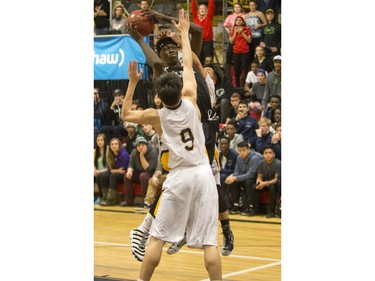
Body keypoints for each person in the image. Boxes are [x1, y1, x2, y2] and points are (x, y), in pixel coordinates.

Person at [121, 10, 222, 280]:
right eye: (164, 48)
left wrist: (132, 83)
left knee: (158, 239)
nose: (170, 52)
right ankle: (155, 229)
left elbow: (127, 114)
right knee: (210, 242)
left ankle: (161, 236)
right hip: (199, 162)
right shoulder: (188, 97)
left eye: (172, 47)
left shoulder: (158, 113)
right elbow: (183, 64)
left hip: (181, 165)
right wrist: (181, 33)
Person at [224, 141, 262, 215]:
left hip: (256, 178)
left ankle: (252, 208)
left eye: (244, 150)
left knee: (248, 182)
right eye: (240, 151)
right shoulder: (239, 157)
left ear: (248, 150)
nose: (241, 153)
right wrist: (232, 176)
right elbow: (237, 171)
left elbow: (251, 174)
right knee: (233, 181)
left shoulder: (255, 158)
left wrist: (235, 178)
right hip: (245, 177)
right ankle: (236, 206)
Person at [120, 136, 158, 207]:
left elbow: (148, 169)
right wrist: (129, 171)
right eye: (138, 145)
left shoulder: (153, 152)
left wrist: (142, 156)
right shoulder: (134, 152)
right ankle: (129, 201)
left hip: (151, 174)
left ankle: (145, 201)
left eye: (143, 145)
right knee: (127, 176)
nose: (141, 147)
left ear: (146, 145)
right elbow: (131, 164)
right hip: (140, 172)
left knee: (143, 176)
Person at [249, 145, 281, 218]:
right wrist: (259, 182)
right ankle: (255, 209)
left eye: (270, 153)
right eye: (266, 153)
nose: (268, 155)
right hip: (265, 182)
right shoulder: (261, 163)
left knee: (272, 188)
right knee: (255, 186)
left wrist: (265, 183)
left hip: (275, 184)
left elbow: (276, 180)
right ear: (263, 155)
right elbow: (259, 176)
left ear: (274, 154)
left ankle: (271, 211)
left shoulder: (278, 163)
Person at [99, 137, 130, 206]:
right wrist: (116, 170)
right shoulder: (110, 154)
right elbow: (109, 169)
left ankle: (111, 199)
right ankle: (105, 197)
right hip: (116, 173)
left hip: (125, 175)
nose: (114, 146)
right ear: (110, 146)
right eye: (112, 144)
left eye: (116, 144)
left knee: (113, 176)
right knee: (103, 176)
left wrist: (114, 171)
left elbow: (123, 170)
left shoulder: (124, 154)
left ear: (119, 145)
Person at [229, 16, 252, 88]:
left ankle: (245, 86)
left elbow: (249, 40)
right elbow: (231, 42)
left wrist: (242, 32)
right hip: (236, 52)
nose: (238, 21)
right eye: (237, 20)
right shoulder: (233, 30)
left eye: (240, 20)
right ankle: (237, 87)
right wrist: (235, 33)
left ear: (243, 22)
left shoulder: (247, 29)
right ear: (235, 22)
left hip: (245, 52)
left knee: (245, 70)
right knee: (236, 71)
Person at [191, 0, 215, 65]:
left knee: (207, 59)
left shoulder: (209, 17)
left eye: (204, 8)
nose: (202, 10)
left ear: (207, 10)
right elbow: (193, 7)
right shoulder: (195, 18)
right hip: (198, 42)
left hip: (207, 42)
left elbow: (211, 6)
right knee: (198, 59)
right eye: (200, 8)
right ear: (198, 10)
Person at [219, 136, 238, 211]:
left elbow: (235, 170)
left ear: (229, 145)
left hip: (232, 175)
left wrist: (222, 170)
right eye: (221, 144)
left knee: (222, 177)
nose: (223, 145)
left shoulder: (234, 155)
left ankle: (226, 205)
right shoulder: (219, 154)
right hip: (221, 175)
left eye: (225, 144)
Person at [94, 133, 109, 204]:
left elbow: (110, 166)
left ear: (105, 141)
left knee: (100, 176)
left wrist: (99, 171)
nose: (99, 142)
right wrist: (94, 170)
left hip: (106, 171)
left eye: (101, 140)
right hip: (98, 171)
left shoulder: (109, 150)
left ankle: (101, 196)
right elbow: (93, 164)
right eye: (98, 140)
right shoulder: (95, 151)